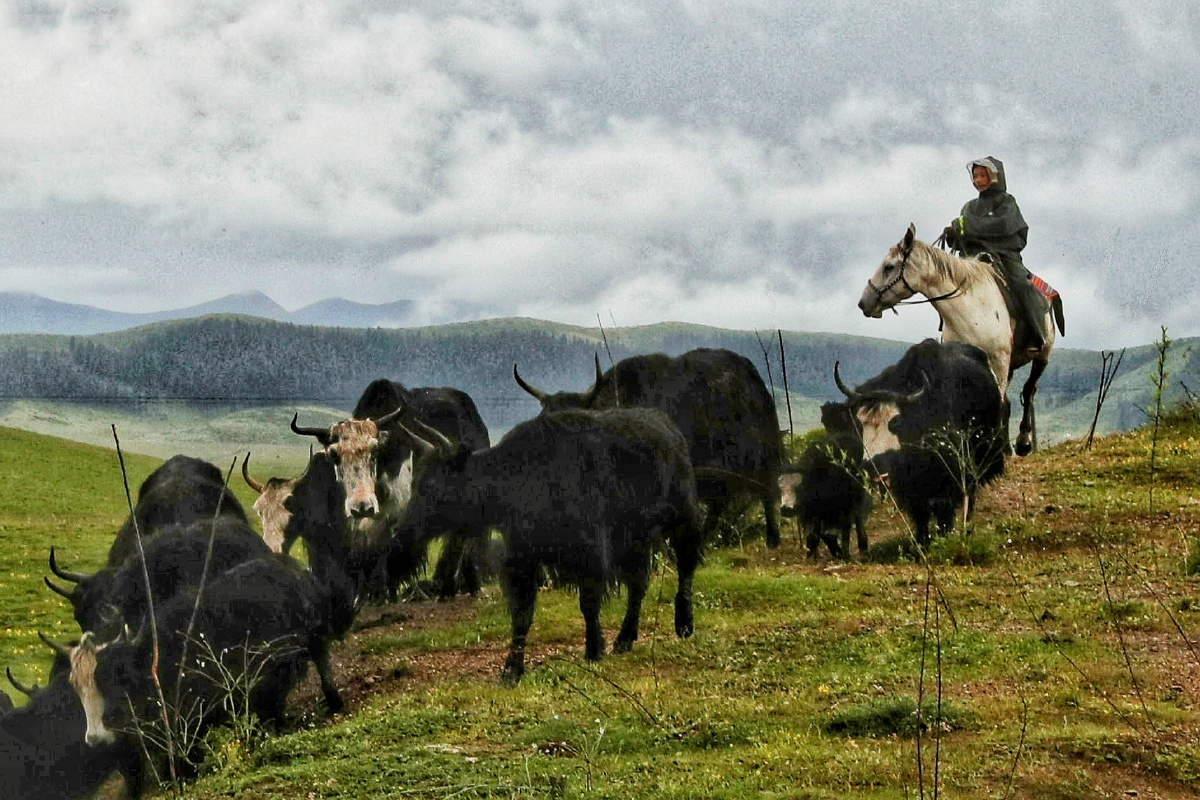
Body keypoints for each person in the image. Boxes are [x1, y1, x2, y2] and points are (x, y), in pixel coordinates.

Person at [942, 156, 1047, 351]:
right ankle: (950, 334)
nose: (978, 180)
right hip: (973, 259)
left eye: (982, 175)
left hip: (1003, 256)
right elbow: (964, 236)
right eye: (975, 176)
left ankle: (1035, 335)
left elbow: (1004, 225)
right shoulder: (969, 206)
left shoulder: (1007, 202)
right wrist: (953, 235)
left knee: (1024, 286)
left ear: (994, 177)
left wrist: (969, 227)